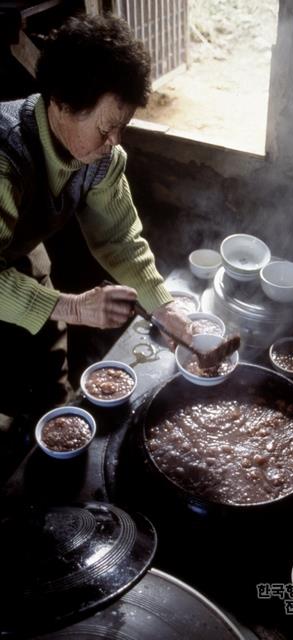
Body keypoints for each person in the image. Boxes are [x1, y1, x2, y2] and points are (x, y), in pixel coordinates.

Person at [0, 13, 192, 427]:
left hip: (18, 249)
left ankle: (47, 430)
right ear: (62, 103)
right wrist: (73, 306)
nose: (114, 142)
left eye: (121, 127)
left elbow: (120, 238)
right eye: (106, 128)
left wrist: (164, 307)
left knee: (48, 382)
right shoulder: (4, 159)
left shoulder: (102, 160)